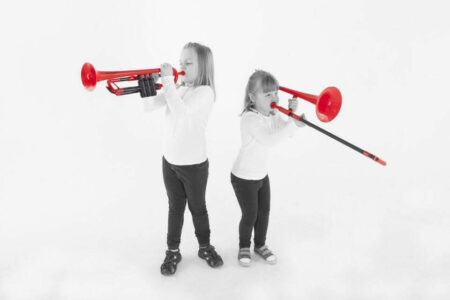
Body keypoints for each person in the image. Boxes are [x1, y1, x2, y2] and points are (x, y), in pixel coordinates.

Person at [143, 42, 223, 275]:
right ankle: (172, 251)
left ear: (204, 67)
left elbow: (182, 112)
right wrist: (145, 88)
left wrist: (168, 82)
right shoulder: (176, 88)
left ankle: (205, 247)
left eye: (188, 63)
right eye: (180, 62)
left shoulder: (205, 92)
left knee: (198, 209)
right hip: (169, 162)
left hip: (194, 166)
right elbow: (150, 107)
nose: (182, 66)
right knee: (175, 208)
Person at [230, 70, 305, 267]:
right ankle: (244, 246)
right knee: (250, 215)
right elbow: (270, 140)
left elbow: (287, 133)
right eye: (268, 94)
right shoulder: (250, 119)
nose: (274, 98)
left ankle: (260, 245)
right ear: (252, 97)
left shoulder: (271, 114)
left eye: (275, 93)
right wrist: (292, 124)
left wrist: (292, 116)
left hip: (261, 175)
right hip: (243, 176)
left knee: (264, 212)